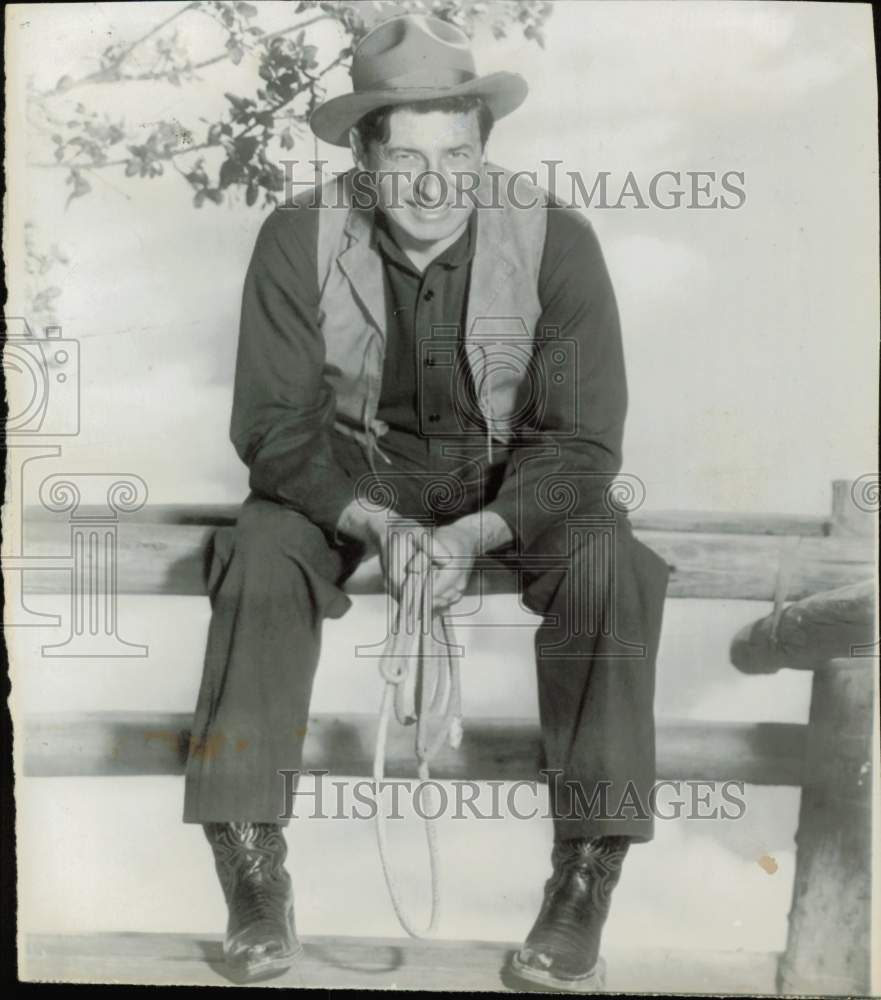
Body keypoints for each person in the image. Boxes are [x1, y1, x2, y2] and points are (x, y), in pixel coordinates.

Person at [182, 12, 670, 992]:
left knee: (610, 566)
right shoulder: (296, 236)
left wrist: (481, 530)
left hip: (511, 474)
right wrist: (377, 522)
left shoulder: (557, 240)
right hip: (352, 471)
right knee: (260, 550)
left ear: (483, 148)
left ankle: (583, 880)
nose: (434, 182)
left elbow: (578, 440)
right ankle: (252, 882)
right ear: (363, 157)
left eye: (456, 153)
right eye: (404, 159)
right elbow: (275, 428)